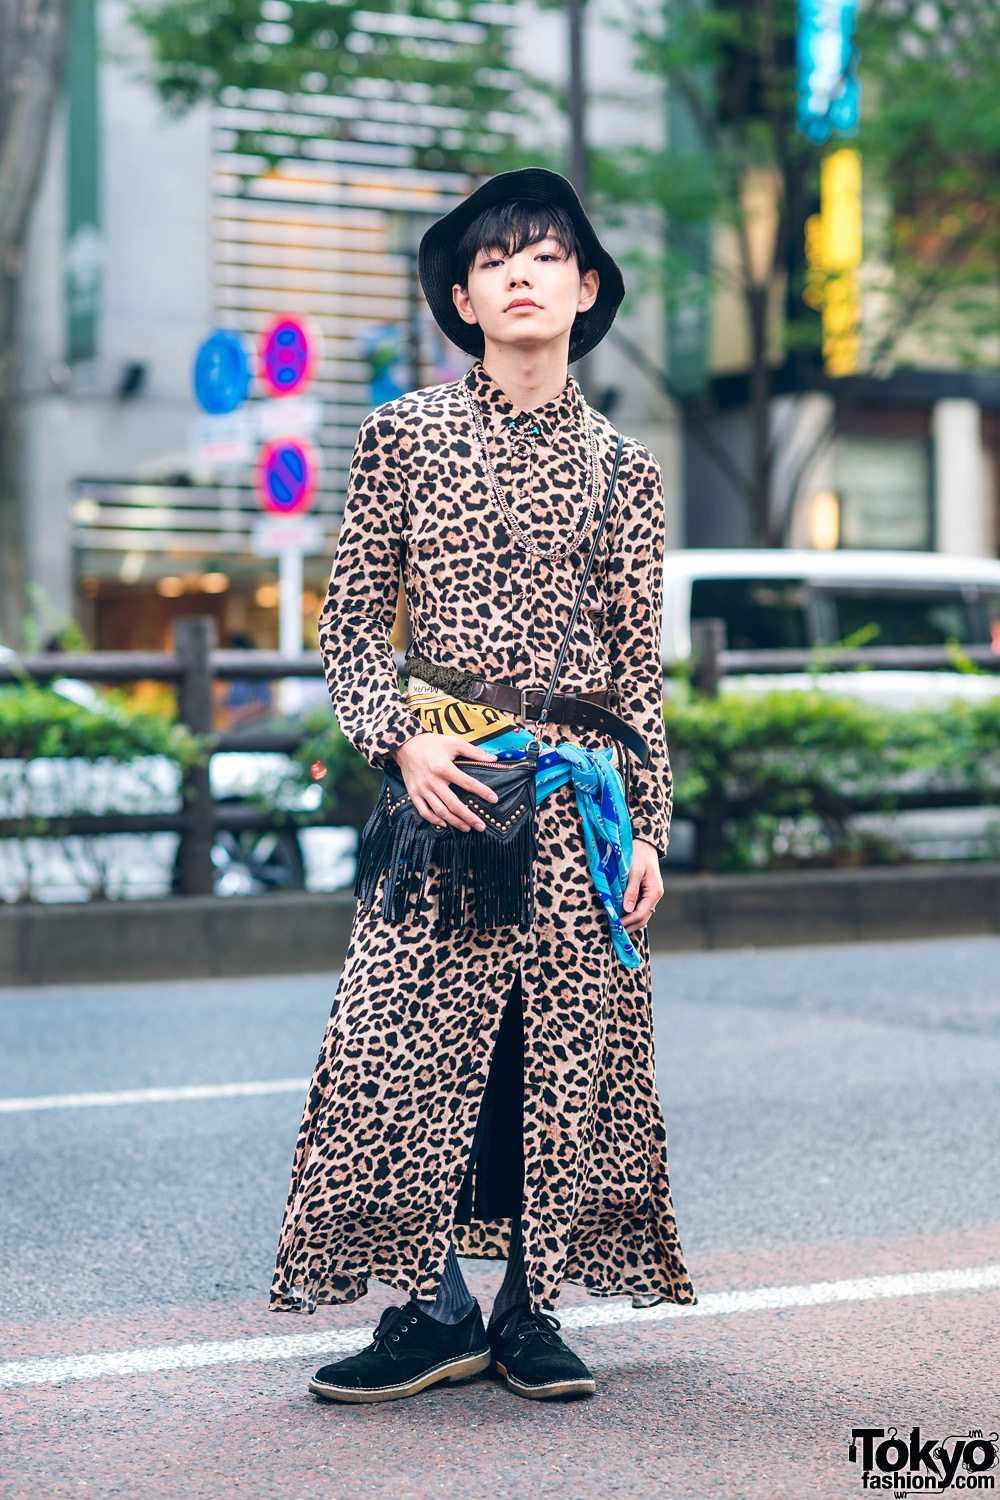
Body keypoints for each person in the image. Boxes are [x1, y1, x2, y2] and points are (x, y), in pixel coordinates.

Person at [271, 167, 696, 1403]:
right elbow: (349, 626)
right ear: (461, 296)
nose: (520, 271)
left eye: (546, 253)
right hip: (441, 796)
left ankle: (531, 1311)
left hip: (579, 803)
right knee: (400, 1050)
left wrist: (651, 830)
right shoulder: (400, 435)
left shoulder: (628, 468)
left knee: (559, 1056)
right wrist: (399, 743)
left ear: (586, 286)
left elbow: (636, 668)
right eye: (495, 257)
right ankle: (432, 1309)